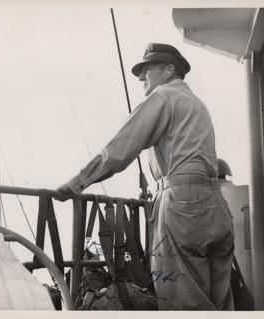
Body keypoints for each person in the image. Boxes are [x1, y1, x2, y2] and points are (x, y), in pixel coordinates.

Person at [57, 43, 234, 310]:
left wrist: (77, 183)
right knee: (219, 302)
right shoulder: (198, 105)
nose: (141, 77)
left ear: (169, 70)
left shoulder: (163, 97)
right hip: (216, 207)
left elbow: (120, 149)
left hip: (182, 208)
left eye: (147, 69)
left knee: (183, 302)